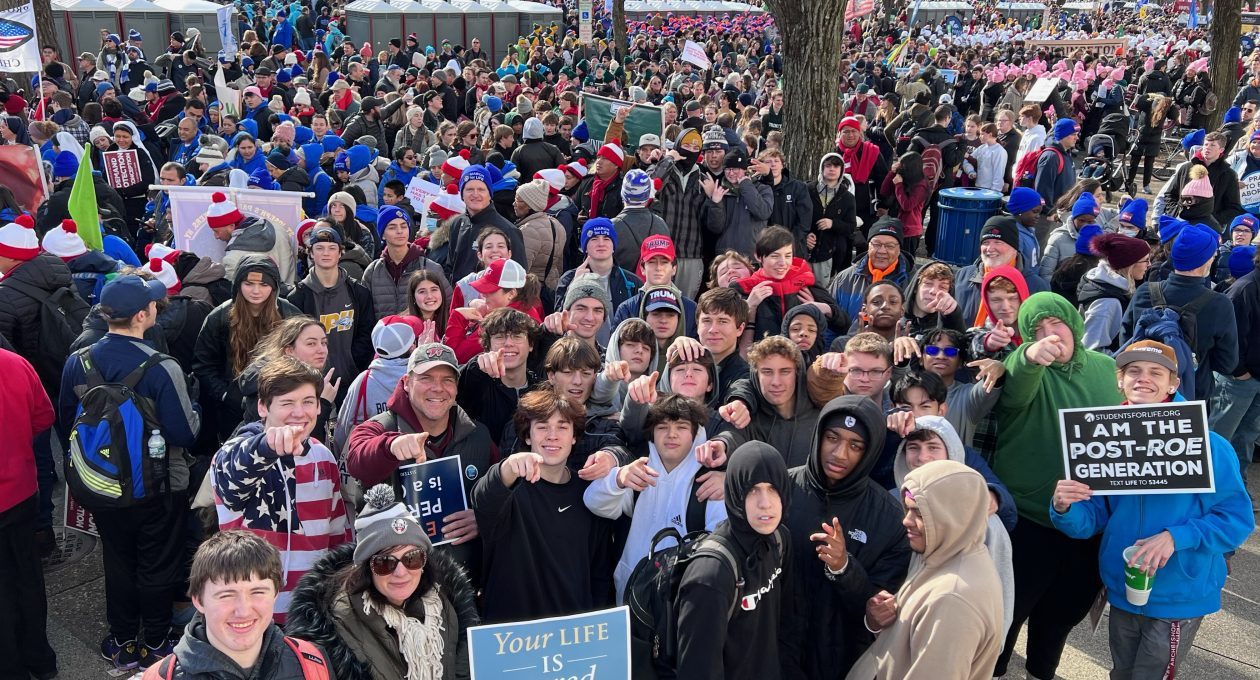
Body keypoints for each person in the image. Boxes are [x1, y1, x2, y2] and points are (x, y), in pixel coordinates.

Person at [1052, 340, 1254, 679]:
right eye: (1134, 371)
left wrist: (1177, 538)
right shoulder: (1099, 442)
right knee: (1122, 671)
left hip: (1178, 592)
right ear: (1120, 380)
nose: (1143, 378)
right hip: (1123, 585)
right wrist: (1064, 507)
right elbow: (1090, 522)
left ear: (1173, 384)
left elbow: (1236, 520)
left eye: (1156, 372)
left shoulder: (1208, 444)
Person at [57, 274, 201, 669]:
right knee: (157, 561)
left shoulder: (79, 361)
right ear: (143, 315)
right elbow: (184, 434)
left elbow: (66, 423)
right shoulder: (161, 366)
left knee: (117, 559)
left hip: (100, 484)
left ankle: (121, 640)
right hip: (156, 487)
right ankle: (156, 642)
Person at [991, 292, 1122, 680]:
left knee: (1063, 614)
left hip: (1088, 519)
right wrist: (1029, 356)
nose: (1050, 336)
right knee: (1008, 613)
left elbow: (1143, 410)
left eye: (1056, 324)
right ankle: (993, 672)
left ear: (1074, 324)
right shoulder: (1024, 367)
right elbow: (1014, 388)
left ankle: (1041, 673)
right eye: (1037, 330)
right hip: (1029, 520)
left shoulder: (1106, 368)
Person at [286, 484, 479, 680]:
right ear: (366, 568)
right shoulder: (338, 624)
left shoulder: (448, 604)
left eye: (412, 558)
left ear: (425, 562)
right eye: (385, 563)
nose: (401, 572)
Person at [211, 355, 352, 623]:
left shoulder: (323, 456)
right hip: (249, 616)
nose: (299, 413)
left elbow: (338, 537)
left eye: (308, 402)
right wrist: (267, 447)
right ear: (263, 407)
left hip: (310, 613)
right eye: (287, 403)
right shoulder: (234, 452)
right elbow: (233, 480)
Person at [781, 395, 911, 679]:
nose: (840, 454)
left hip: (839, 659)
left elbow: (876, 611)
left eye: (855, 446)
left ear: (871, 451)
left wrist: (844, 568)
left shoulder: (890, 518)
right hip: (775, 650)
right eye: (832, 437)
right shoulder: (781, 489)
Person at [844, 460, 1005, 680]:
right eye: (908, 509)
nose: (906, 521)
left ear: (953, 515)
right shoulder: (944, 552)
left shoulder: (953, 600)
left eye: (920, 513)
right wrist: (878, 622)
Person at [470, 387, 615, 623]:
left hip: (574, 635)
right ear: (527, 436)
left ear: (575, 436)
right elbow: (483, 500)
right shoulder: (509, 487)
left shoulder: (590, 492)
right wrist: (508, 467)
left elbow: (599, 574)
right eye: (542, 426)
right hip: (512, 637)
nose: (552, 435)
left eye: (562, 427)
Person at [583, 393, 726, 602]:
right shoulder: (637, 469)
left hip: (685, 602)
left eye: (682, 427)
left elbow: (719, 546)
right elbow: (593, 503)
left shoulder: (710, 482)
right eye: (662, 427)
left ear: (696, 435)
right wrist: (618, 479)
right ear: (651, 433)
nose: (671, 434)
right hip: (631, 599)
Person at [674, 441, 792, 680]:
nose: (765, 503)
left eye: (773, 489)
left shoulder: (779, 539)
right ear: (735, 492)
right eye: (752, 490)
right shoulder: (711, 575)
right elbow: (698, 671)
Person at [159, 530, 333, 679]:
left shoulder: (312, 663)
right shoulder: (159, 676)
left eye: (257, 592)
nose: (243, 611)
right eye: (226, 595)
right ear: (198, 600)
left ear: (275, 594)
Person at [1122, 223, 1237, 402]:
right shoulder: (1219, 304)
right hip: (1192, 396)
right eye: (1213, 256)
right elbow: (1227, 363)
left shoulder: (1145, 291)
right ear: (1205, 260)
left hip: (1142, 391)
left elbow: (1126, 340)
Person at [193, 255, 301, 441]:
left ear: (274, 287)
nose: (256, 291)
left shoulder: (290, 315)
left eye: (264, 285)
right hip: (232, 411)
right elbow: (203, 365)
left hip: (280, 405)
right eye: (248, 284)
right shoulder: (219, 317)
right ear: (238, 285)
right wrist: (225, 395)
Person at [0, 348, 56, 680]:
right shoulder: (13, 362)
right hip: (20, 493)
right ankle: (40, 659)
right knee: (28, 577)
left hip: (18, 491)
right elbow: (43, 417)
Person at [287, 225, 377, 402]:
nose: (325, 253)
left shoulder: (358, 292)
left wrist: (354, 363)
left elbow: (367, 334)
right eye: (319, 248)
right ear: (310, 253)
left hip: (351, 380)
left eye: (331, 248)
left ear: (341, 252)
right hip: (311, 383)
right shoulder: (297, 297)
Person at [709, 335, 820, 468]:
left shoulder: (819, 416)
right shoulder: (750, 414)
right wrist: (722, 445)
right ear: (756, 376)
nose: (776, 382)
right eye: (767, 372)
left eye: (785, 372)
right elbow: (733, 436)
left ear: (797, 374)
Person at [733, 225, 847, 342]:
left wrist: (824, 308)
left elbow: (844, 325)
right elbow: (729, 332)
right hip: (763, 357)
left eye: (788, 256)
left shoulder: (804, 282)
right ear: (758, 256)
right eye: (775, 256)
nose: (782, 263)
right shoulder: (747, 289)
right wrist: (748, 306)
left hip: (803, 357)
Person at [830, 217, 919, 321]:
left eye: (889, 246)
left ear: (899, 249)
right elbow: (830, 321)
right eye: (876, 244)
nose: (882, 251)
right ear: (868, 246)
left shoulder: (914, 282)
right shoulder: (845, 278)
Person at [363, 205, 444, 317]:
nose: (399, 231)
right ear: (383, 235)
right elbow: (365, 315)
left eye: (404, 226)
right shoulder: (372, 272)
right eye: (392, 227)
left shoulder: (431, 268)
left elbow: (447, 308)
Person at [1078, 233, 1152, 351]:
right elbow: (1092, 350)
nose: (1149, 265)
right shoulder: (1107, 304)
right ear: (1129, 264)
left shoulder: (1103, 281)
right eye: (1146, 260)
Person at [808, 151, 858, 278]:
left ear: (841, 170)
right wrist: (805, 236)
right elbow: (796, 218)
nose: (832, 169)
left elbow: (851, 227)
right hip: (804, 250)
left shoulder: (847, 197)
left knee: (821, 291)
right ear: (822, 167)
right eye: (828, 165)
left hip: (829, 253)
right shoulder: (807, 190)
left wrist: (833, 223)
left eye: (836, 166)